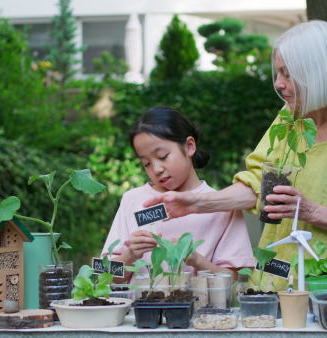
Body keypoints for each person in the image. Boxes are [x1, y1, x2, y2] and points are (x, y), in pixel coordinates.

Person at [143, 20, 327, 290]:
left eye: (287, 74)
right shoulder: (289, 120)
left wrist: (313, 212)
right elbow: (259, 185)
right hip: (272, 284)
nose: (278, 84)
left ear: (319, 73)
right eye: (278, 74)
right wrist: (193, 203)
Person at [101, 107, 255, 284]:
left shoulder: (221, 205)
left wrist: (195, 259)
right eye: (146, 163)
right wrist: (130, 255)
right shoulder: (132, 199)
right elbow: (104, 273)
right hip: (141, 311)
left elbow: (232, 279)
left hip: (199, 310)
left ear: (189, 146)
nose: (157, 169)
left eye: (163, 156)